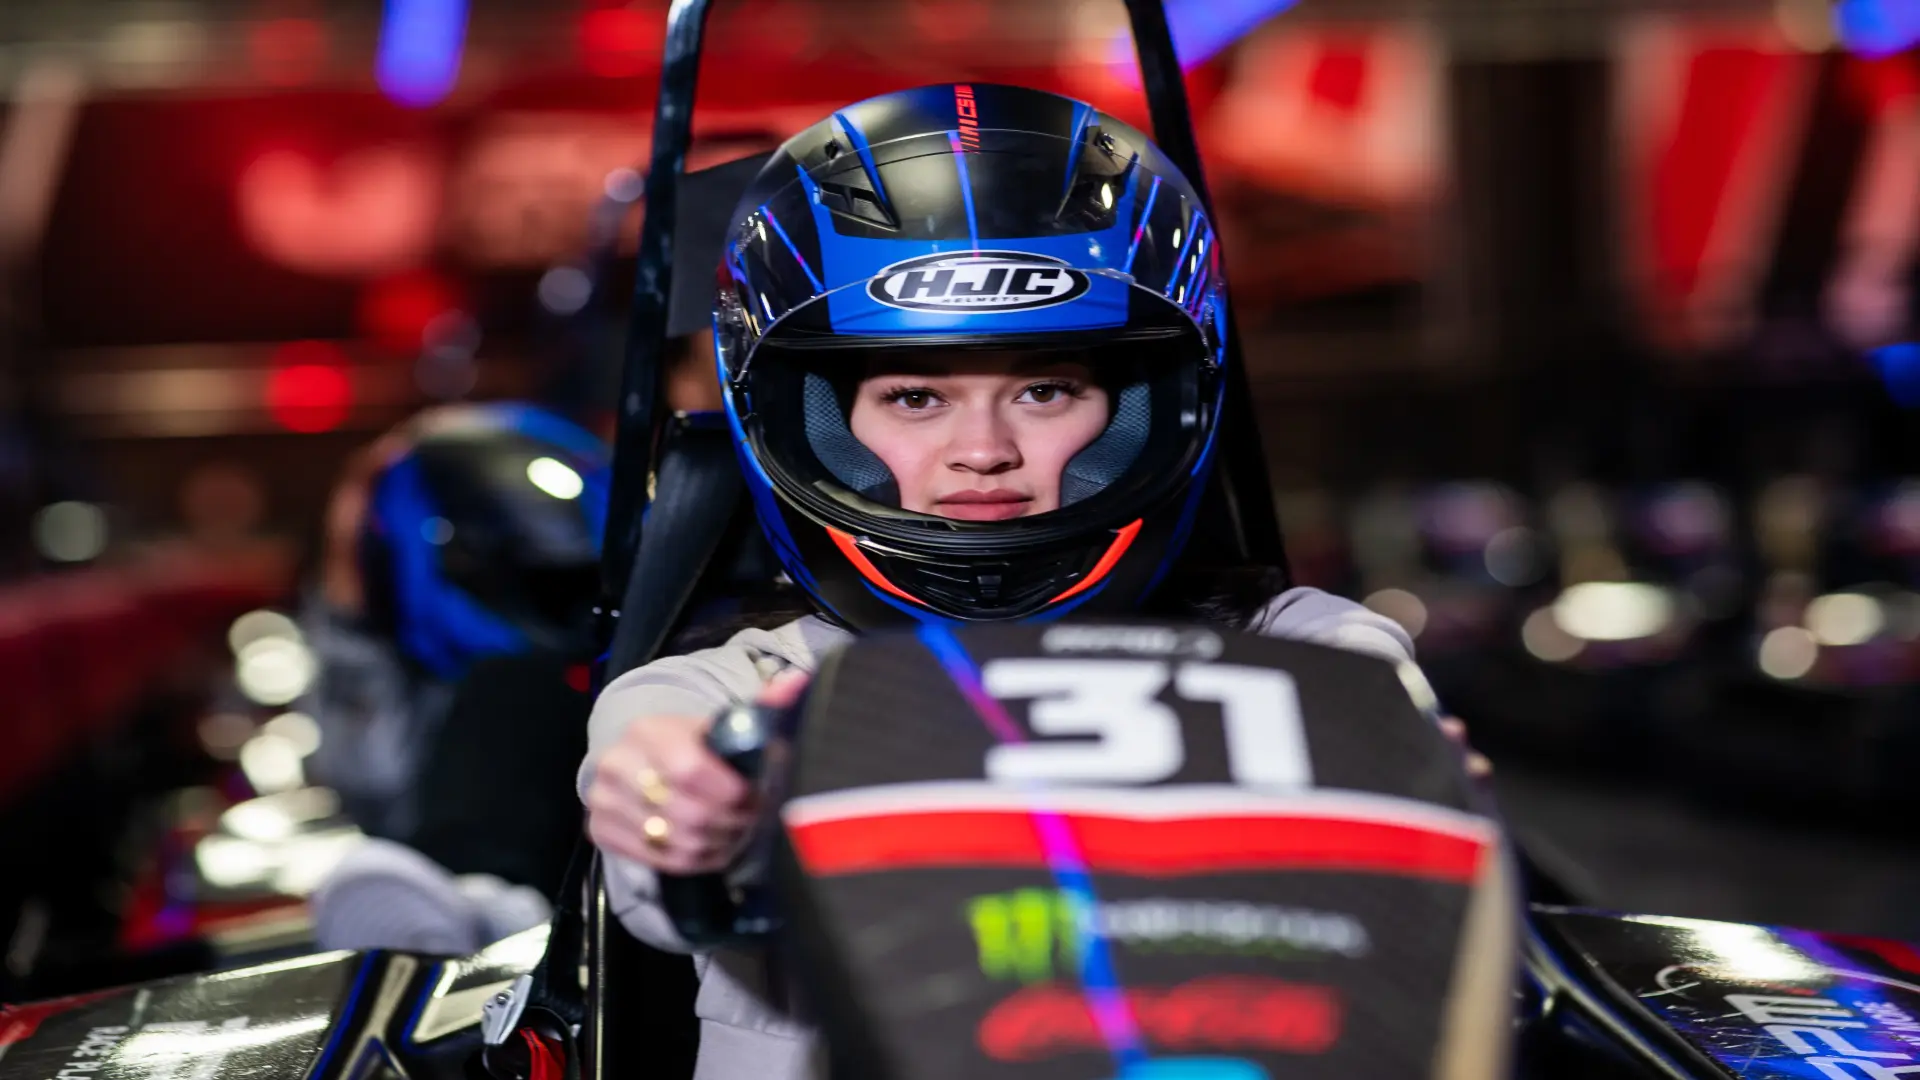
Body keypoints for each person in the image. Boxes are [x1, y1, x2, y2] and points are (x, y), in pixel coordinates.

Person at [580, 84, 1467, 1078]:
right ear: (811, 420)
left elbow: (1378, 741)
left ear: (1145, 406)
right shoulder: (724, 691)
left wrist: (1400, 784)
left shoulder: (1308, 649)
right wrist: (684, 804)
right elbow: (653, 800)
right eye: (914, 397)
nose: (984, 452)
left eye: (1045, 392)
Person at [299, 403, 610, 951]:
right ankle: (464, 898)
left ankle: (479, 900)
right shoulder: (391, 661)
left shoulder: (578, 668)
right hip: (429, 856)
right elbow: (368, 779)